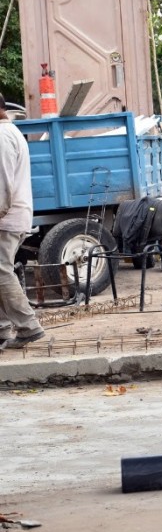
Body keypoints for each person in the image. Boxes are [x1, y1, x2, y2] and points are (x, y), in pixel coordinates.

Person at [0, 103, 44, 350]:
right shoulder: (10, 132)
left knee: (1, 271)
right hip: (11, 215)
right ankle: (3, 328)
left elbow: (2, 183)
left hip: (6, 217)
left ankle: (28, 326)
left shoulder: (3, 136)